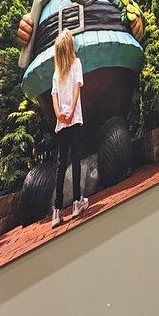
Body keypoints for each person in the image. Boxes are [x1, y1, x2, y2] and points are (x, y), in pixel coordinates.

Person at [51, 29, 88, 228]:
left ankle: (56, 211)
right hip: (74, 120)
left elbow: (54, 96)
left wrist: (59, 115)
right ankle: (76, 203)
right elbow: (76, 88)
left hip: (61, 123)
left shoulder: (56, 71)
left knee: (60, 164)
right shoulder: (76, 64)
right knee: (75, 160)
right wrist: (72, 111)